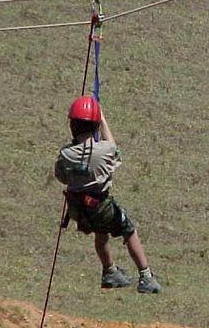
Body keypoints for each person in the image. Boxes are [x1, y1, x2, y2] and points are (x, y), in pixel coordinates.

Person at [54, 96, 161, 294]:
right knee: (128, 229)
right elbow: (114, 147)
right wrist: (102, 120)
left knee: (101, 233)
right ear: (95, 126)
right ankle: (146, 276)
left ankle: (109, 271)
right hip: (101, 206)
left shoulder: (66, 154)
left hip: (79, 210)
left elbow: (61, 176)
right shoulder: (104, 150)